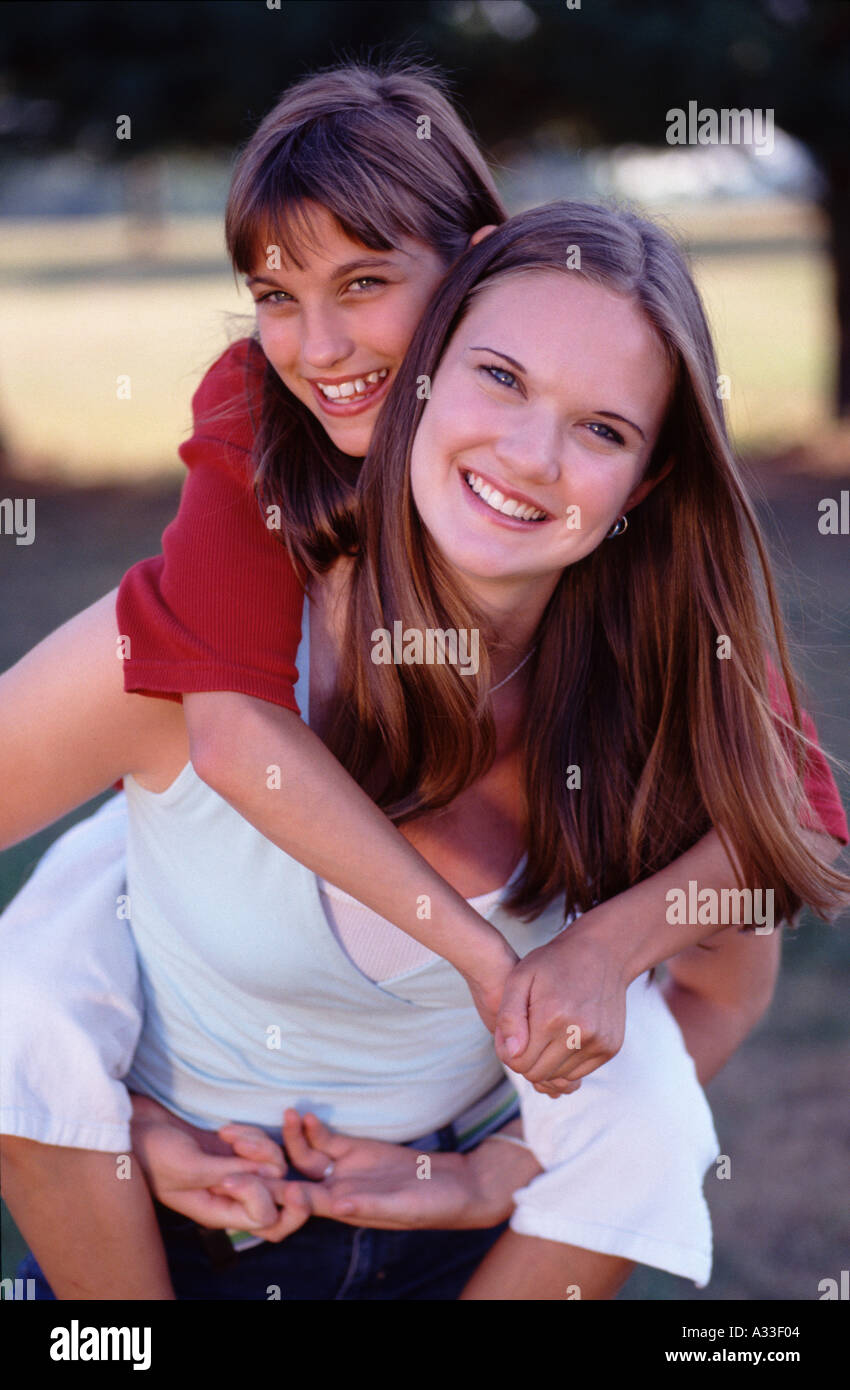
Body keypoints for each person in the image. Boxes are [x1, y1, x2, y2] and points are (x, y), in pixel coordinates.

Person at [4, 201, 848, 1300]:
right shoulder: (197, 651)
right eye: (499, 377)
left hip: (470, 1263)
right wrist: (113, 1122)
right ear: (415, 378)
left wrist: (493, 1171)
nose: (530, 456)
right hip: (139, 1255)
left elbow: (719, 997)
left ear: (642, 483)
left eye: (602, 429)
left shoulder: (652, 715)